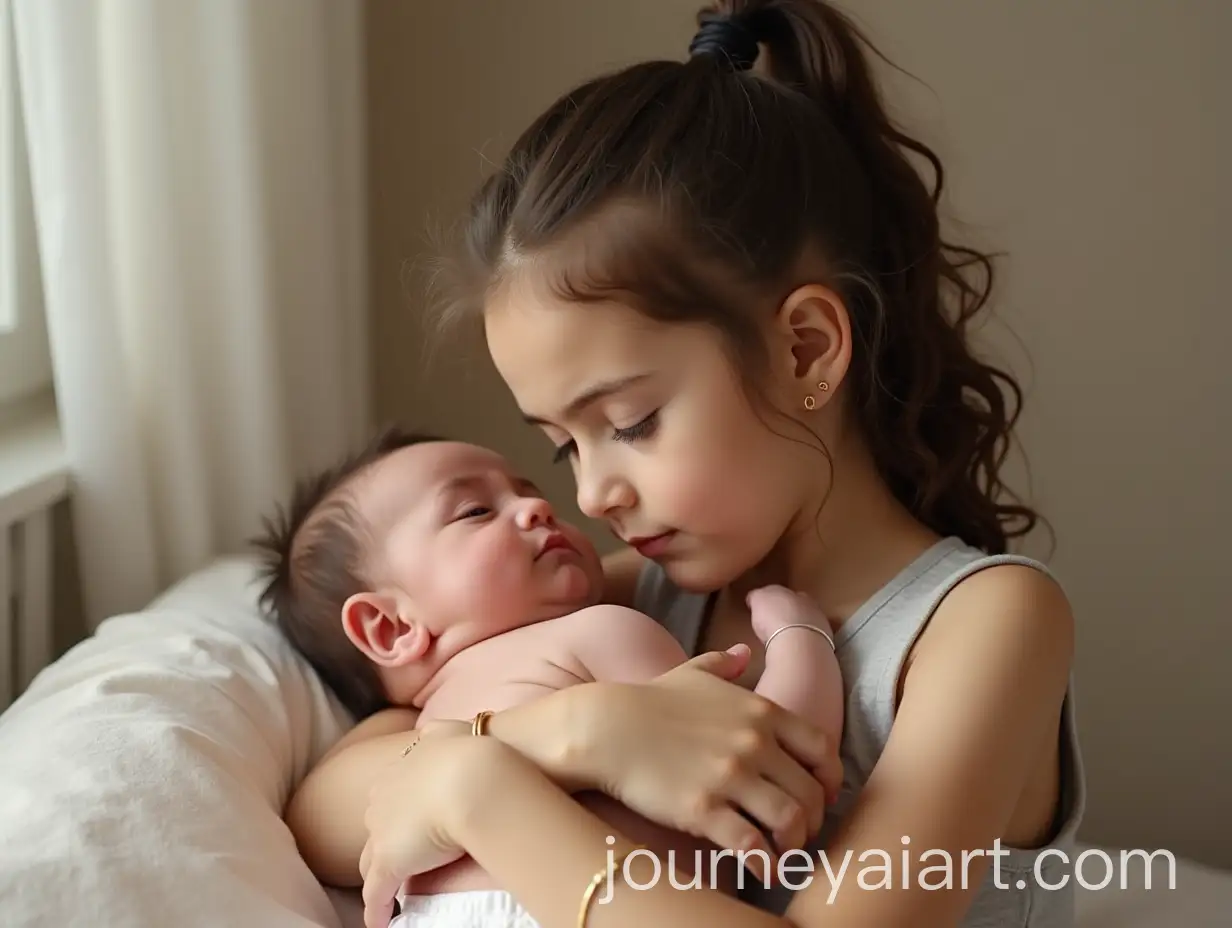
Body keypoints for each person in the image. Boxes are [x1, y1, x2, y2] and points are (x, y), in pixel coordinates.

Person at [311, 1, 1088, 926]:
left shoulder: (985, 625)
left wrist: (474, 790)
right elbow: (324, 802)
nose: (590, 493)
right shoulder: (637, 591)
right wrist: (579, 732)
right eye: (561, 444)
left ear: (804, 349)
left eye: (631, 422)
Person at [251, 428, 845, 925]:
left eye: (528, 493)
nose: (537, 507)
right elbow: (770, 767)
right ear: (388, 628)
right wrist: (803, 643)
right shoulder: (601, 636)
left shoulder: (421, 730)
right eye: (475, 511)